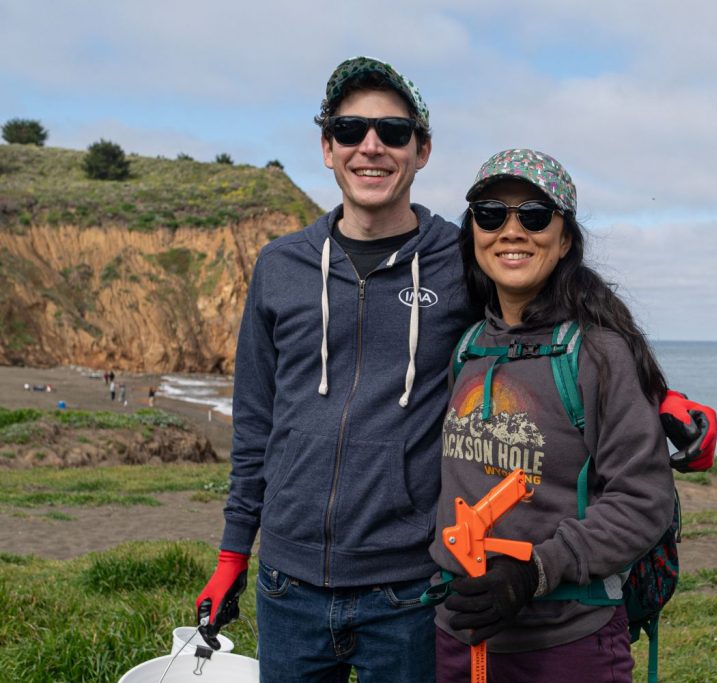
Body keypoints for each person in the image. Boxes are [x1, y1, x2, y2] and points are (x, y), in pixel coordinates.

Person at [193, 56, 477, 682]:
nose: (370, 147)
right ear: (326, 148)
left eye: (394, 132)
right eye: (350, 131)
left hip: (411, 589)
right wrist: (233, 551)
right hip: (286, 587)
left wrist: (653, 394)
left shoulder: (463, 261)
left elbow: (559, 306)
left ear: (422, 149)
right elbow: (256, 421)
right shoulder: (280, 265)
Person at [430, 150, 676, 682]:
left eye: (535, 216)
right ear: (473, 232)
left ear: (565, 240)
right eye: (491, 214)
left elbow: (643, 500)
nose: (511, 231)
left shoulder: (597, 353)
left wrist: (532, 572)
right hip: (460, 634)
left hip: (569, 642)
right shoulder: (467, 349)